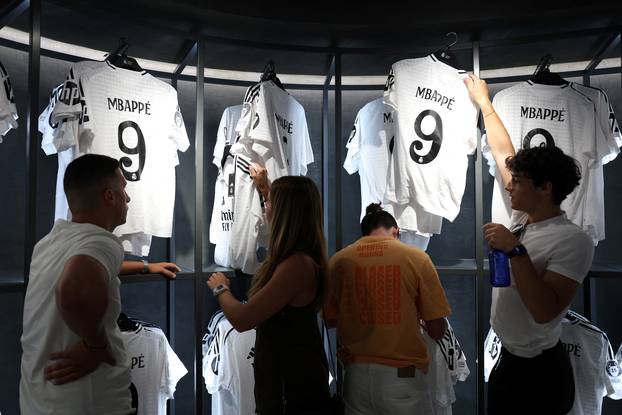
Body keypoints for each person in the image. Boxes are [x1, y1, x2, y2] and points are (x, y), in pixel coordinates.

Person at [465, 74, 594, 415]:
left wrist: (514, 251)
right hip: (508, 360)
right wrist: (484, 103)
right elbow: (503, 151)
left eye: (518, 182)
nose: (509, 187)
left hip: (540, 374)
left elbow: (545, 310)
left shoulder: (574, 240)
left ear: (545, 188)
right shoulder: (523, 219)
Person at [20, 154, 181, 415]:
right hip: (88, 401)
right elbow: (72, 291)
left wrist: (145, 266)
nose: (127, 199)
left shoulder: (49, 243)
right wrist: (95, 346)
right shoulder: (101, 241)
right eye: (124, 189)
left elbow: (89, 269)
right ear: (109, 196)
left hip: (41, 400)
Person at [207, 168, 331, 415]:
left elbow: (243, 319)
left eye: (271, 202)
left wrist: (220, 287)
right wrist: (265, 189)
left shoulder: (296, 266)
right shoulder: (301, 258)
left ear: (285, 212)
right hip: (292, 378)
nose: (265, 206)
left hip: (292, 388)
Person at [324, 202, 451, 415]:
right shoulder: (417, 258)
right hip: (403, 377)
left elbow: (330, 320)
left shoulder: (338, 261)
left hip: (356, 378)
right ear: (396, 231)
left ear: (364, 233)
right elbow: (437, 329)